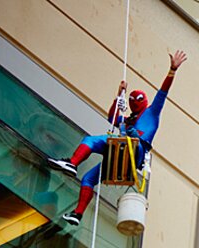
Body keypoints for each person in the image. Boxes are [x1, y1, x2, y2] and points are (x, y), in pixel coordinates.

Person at [47, 50, 188, 225]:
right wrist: (118, 96)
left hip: (134, 149)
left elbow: (162, 93)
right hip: (123, 155)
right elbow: (112, 118)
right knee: (88, 179)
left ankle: (72, 163)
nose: (134, 103)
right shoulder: (129, 121)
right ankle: (78, 214)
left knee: (90, 141)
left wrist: (172, 70)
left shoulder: (151, 113)